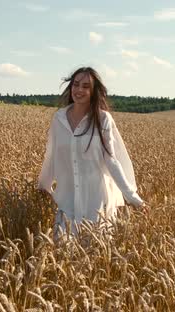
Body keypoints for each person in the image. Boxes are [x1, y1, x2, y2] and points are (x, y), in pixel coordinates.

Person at [37, 66, 146, 238]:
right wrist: (43, 185)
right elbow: (51, 155)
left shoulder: (103, 119)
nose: (79, 90)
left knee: (95, 255)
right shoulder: (59, 118)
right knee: (62, 254)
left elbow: (111, 160)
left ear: (94, 91)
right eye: (76, 84)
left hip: (98, 203)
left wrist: (132, 198)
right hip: (68, 201)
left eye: (86, 86)